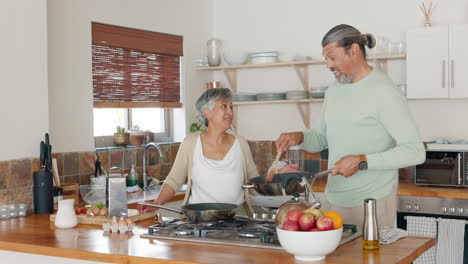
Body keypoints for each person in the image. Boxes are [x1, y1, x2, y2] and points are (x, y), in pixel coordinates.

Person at [275, 24, 425, 228]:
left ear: (353, 50)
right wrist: (300, 137)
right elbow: (321, 138)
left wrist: (362, 161)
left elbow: (415, 152)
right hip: (333, 201)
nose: (328, 65)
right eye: (326, 59)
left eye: (332, 57)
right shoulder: (334, 91)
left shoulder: (384, 91)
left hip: (372, 202)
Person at [143, 88, 258, 215]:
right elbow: (174, 180)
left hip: (236, 219)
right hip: (200, 219)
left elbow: (255, 182)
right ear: (207, 113)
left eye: (231, 107)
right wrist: (156, 204)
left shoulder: (240, 143)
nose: (230, 112)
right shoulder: (191, 143)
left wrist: (274, 183)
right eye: (223, 106)